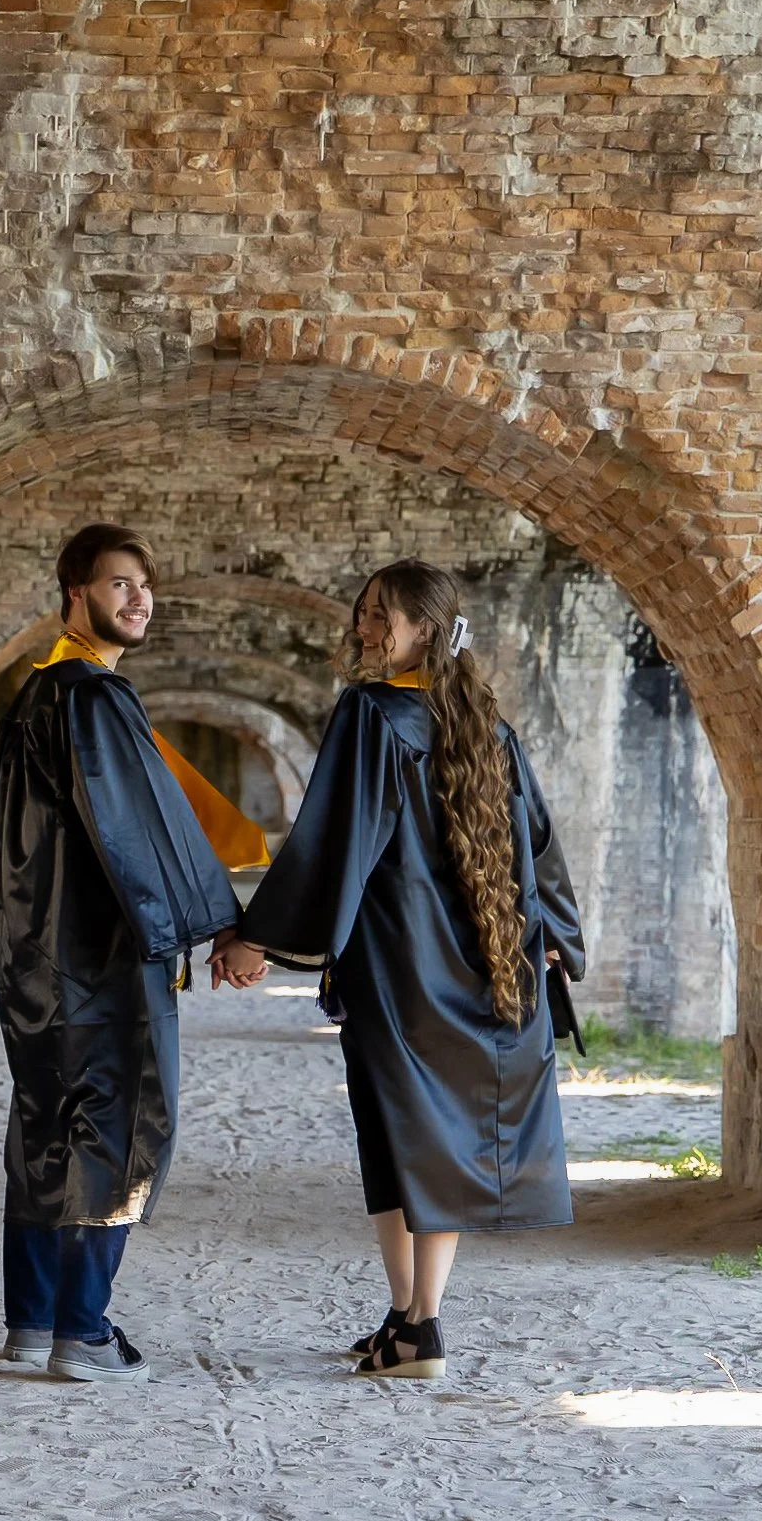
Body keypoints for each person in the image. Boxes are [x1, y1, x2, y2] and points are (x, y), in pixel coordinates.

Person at [212, 559, 583, 1379]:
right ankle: (417, 1319)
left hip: (397, 964)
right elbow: (542, 852)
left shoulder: (372, 714)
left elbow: (333, 840)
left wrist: (257, 939)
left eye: (382, 615)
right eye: (365, 612)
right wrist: (554, 937)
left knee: (392, 1135)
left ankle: (414, 1326)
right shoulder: (488, 728)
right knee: (439, 1136)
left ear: (427, 627)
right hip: (484, 966)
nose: (365, 628)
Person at [0, 523, 268, 1384]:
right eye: (118, 584)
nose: (138, 598)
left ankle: (32, 1322)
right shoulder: (94, 698)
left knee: (44, 1129)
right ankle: (85, 1331)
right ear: (76, 593)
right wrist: (228, 926)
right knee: (119, 1128)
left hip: (36, 955)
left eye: (145, 584)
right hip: (104, 956)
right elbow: (143, 836)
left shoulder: (32, 698)